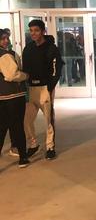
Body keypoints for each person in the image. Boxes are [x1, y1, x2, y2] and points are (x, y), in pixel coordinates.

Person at [22, 19, 63, 160]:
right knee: (26, 120)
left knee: (48, 120)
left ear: (43, 31)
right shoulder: (28, 49)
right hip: (31, 89)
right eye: (31, 30)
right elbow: (25, 69)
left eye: (36, 30)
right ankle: (33, 145)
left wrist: (50, 87)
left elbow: (56, 70)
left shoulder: (51, 48)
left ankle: (50, 147)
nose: (33, 33)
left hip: (46, 88)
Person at [0, 29, 30, 167]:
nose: (6, 41)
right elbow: (12, 75)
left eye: (7, 38)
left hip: (1, 97)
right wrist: (25, 76)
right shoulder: (5, 55)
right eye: (3, 38)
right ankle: (23, 158)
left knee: (1, 129)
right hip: (13, 95)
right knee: (17, 126)